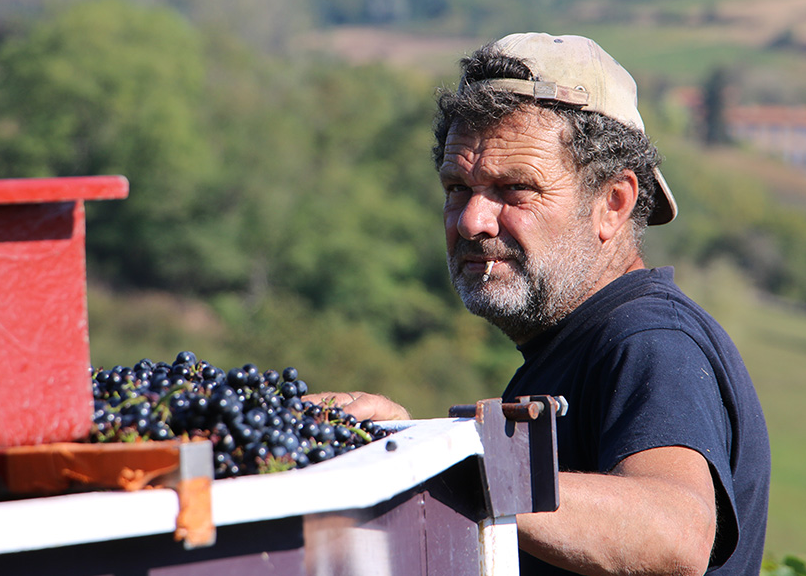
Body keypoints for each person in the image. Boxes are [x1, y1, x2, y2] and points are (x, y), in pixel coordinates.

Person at [308, 32, 771, 576]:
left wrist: (436, 461)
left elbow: (675, 533)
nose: (472, 220)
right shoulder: (570, 350)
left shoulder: (648, 340)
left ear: (612, 203)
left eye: (514, 190)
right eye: (457, 187)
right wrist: (401, 448)